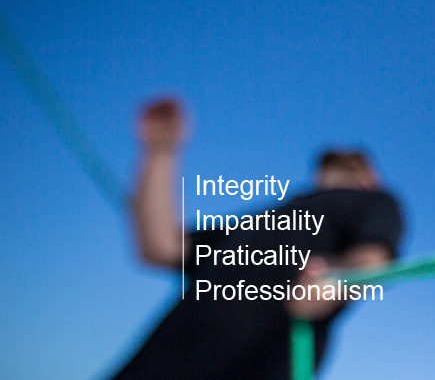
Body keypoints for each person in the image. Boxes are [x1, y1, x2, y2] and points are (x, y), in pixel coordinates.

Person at [113, 98, 405, 379]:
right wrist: (160, 152)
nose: (340, 171)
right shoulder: (264, 219)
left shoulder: (375, 201)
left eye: (352, 165)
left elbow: (375, 257)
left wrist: (335, 278)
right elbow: (161, 248)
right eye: (331, 165)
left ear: (370, 177)